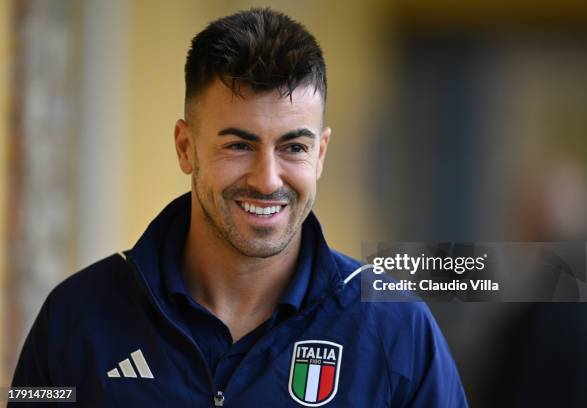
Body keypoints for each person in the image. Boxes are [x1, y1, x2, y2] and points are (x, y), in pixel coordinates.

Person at [11, 8, 467, 407]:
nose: (268, 179)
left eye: (293, 147)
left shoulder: (398, 329)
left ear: (321, 154)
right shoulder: (76, 317)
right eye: (238, 145)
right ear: (186, 146)